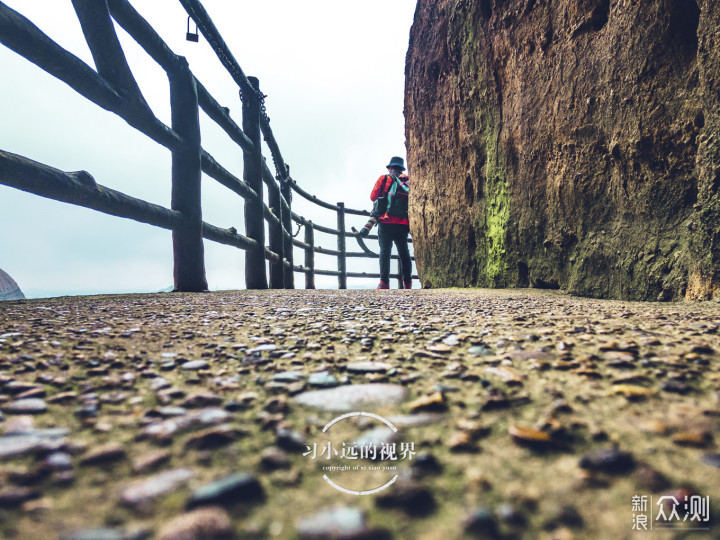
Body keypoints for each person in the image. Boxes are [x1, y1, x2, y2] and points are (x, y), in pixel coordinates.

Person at [367, 156, 412, 290]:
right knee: (404, 252)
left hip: (385, 220)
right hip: (403, 222)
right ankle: (407, 283)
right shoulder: (408, 180)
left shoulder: (384, 178)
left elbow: (373, 197)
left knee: (385, 252)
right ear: (401, 168)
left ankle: (384, 283)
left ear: (390, 168)